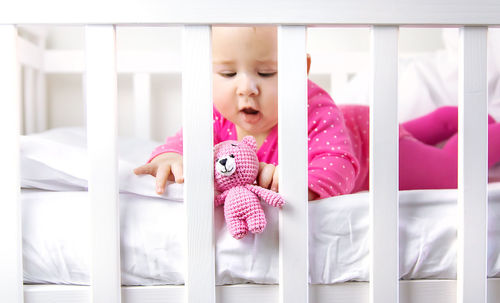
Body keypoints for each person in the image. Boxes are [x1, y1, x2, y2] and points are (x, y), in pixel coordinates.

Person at [134, 26, 360, 200]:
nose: (246, 89)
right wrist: (169, 158)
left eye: (266, 72)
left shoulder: (313, 110)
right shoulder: (216, 114)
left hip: (373, 136)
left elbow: (340, 164)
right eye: (228, 73)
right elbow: (182, 144)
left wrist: (300, 184)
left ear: (301, 70)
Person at [340, 104, 500, 191]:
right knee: (404, 143)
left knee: (453, 171)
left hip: (369, 152)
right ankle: (445, 120)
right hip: (353, 126)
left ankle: (489, 134)